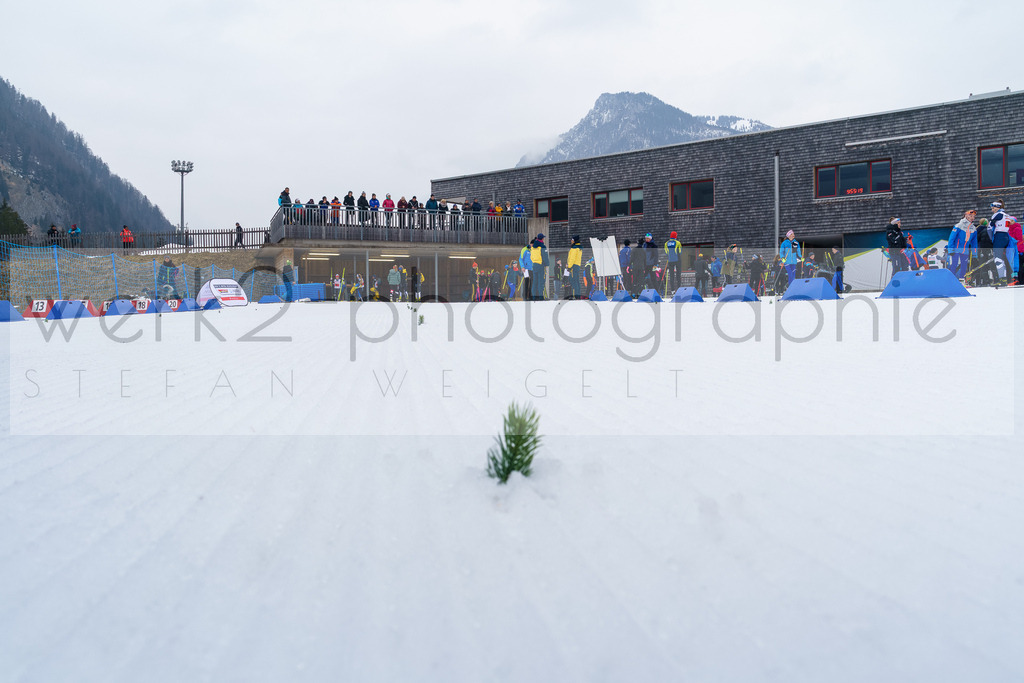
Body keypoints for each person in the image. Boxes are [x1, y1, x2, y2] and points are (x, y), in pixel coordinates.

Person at [947, 209, 978, 279]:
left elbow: (974, 243)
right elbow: (951, 239)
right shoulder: (958, 225)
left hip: (965, 251)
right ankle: (951, 281)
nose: (972, 217)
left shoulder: (973, 228)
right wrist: (951, 250)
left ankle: (962, 280)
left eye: (973, 216)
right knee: (954, 265)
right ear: (966, 215)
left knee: (964, 266)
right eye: (970, 215)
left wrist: (974, 254)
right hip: (956, 250)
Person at [989, 200, 1010, 285]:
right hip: (1006, 237)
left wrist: (991, 240)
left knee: (998, 259)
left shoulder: (997, 214)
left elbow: (989, 228)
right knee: (1003, 259)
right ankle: (1005, 278)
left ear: (997, 207)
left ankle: (1002, 279)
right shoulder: (1007, 215)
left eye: (993, 208)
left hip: (999, 237)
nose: (992, 210)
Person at [529, 233, 549, 300]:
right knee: (541, 282)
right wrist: (546, 264)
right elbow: (545, 257)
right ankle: (541, 297)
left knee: (535, 282)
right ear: (542, 239)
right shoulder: (542, 247)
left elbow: (531, 257)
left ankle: (534, 297)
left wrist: (535, 261)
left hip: (534, 265)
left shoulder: (533, 248)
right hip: (541, 265)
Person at [567, 235, 583, 299]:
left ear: (574, 241)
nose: (571, 241)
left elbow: (572, 258)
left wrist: (569, 266)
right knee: (577, 281)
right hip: (577, 265)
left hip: (573, 266)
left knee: (573, 280)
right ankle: (578, 295)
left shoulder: (574, 248)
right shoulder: (579, 248)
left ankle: (574, 295)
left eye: (572, 240)